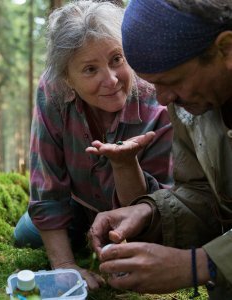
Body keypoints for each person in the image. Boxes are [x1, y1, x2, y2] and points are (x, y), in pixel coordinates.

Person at [12, 0, 174, 291]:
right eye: (90, 69)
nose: (110, 80)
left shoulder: (157, 95)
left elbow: (159, 207)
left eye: (116, 59)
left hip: (140, 216)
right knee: (27, 235)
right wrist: (64, 266)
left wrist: (125, 164)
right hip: (78, 205)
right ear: (67, 80)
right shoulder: (52, 91)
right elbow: (47, 185)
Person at [89, 0, 232, 298]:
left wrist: (198, 265)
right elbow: (203, 194)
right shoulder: (192, 106)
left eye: (172, 81)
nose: (164, 99)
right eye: (154, 85)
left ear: (226, 49)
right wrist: (149, 212)